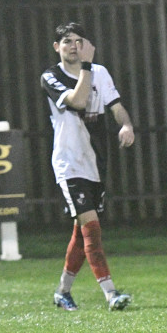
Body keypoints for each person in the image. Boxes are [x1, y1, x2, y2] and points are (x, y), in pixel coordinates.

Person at [40, 22, 135, 311]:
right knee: (91, 228)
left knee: (81, 235)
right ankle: (110, 293)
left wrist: (127, 125)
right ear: (57, 47)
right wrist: (88, 65)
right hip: (69, 164)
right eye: (67, 41)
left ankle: (62, 292)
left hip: (95, 163)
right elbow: (79, 101)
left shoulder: (100, 72)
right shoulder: (51, 76)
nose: (73, 46)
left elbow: (116, 106)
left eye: (79, 41)